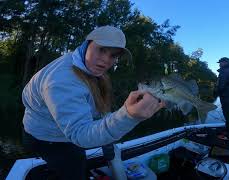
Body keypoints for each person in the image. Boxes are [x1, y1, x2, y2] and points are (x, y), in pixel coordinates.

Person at [22, 25, 165, 180]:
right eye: (102, 49)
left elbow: (94, 107)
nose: (106, 60)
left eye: (113, 55)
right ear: (87, 44)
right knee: (74, 170)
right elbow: (80, 135)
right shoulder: (61, 81)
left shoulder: (86, 65)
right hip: (47, 139)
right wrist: (129, 116)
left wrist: (108, 130)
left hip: (64, 133)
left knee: (78, 161)